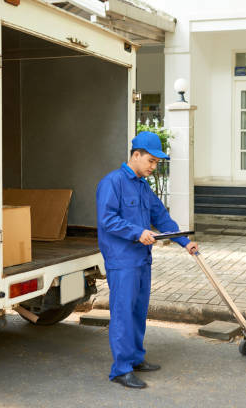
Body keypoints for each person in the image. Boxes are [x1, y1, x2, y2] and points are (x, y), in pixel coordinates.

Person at [96, 131, 198, 389]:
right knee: (123, 313)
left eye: (156, 163)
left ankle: (135, 358)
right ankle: (121, 369)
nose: (154, 166)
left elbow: (161, 217)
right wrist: (137, 232)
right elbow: (107, 220)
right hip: (122, 261)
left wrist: (185, 242)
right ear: (136, 155)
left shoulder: (143, 186)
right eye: (151, 161)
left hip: (142, 259)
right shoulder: (113, 182)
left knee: (139, 311)